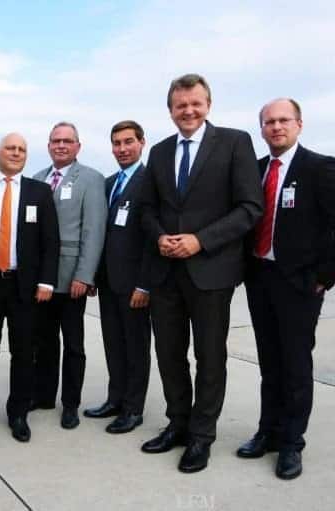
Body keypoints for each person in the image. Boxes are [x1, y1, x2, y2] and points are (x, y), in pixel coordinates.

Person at [139, 73, 263, 473]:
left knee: (210, 357)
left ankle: (201, 436)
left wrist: (200, 240)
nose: (188, 111)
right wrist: (159, 237)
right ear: (170, 109)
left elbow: (249, 208)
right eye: (180, 106)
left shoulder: (234, 142)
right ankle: (177, 424)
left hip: (211, 271)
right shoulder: (158, 152)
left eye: (195, 104)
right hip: (165, 273)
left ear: (208, 104)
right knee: (169, 355)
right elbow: (146, 209)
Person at [237, 98, 335, 479]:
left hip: (300, 284)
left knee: (295, 364)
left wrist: (325, 276)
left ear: (299, 124)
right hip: (261, 278)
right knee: (269, 362)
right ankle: (269, 432)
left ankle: (292, 443)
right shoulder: (257, 171)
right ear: (261, 129)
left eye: (283, 120)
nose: (276, 127)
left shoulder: (320, 168)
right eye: (269, 122)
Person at [0, 133, 59, 443]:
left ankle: (18, 412)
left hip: (25, 287)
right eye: (10, 148)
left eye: (21, 149)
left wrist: (46, 281)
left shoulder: (39, 192)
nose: (16, 153)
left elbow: (50, 241)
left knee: (23, 352)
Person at [32, 122, 107, 429]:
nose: (60, 145)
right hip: (42, 280)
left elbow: (94, 230)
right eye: (55, 141)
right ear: (48, 145)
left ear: (78, 146)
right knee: (45, 341)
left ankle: (71, 404)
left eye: (67, 141)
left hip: (72, 278)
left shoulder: (90, 179)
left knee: (73, 345)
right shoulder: (37, 179)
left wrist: (85, 275)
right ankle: (45, 395)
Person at [85, 120, 152, 434]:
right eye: (117, 143)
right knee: (114, 343)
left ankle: (133, 408)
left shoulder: (151, 181)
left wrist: (145, 283)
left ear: (142, 143)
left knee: (135, 346)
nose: (122, 149)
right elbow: (101, 233)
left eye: (128, 142)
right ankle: (115, 398)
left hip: (135, 284)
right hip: (110, 282)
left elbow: (154, 237)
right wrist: (95, 276)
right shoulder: (109, 183)